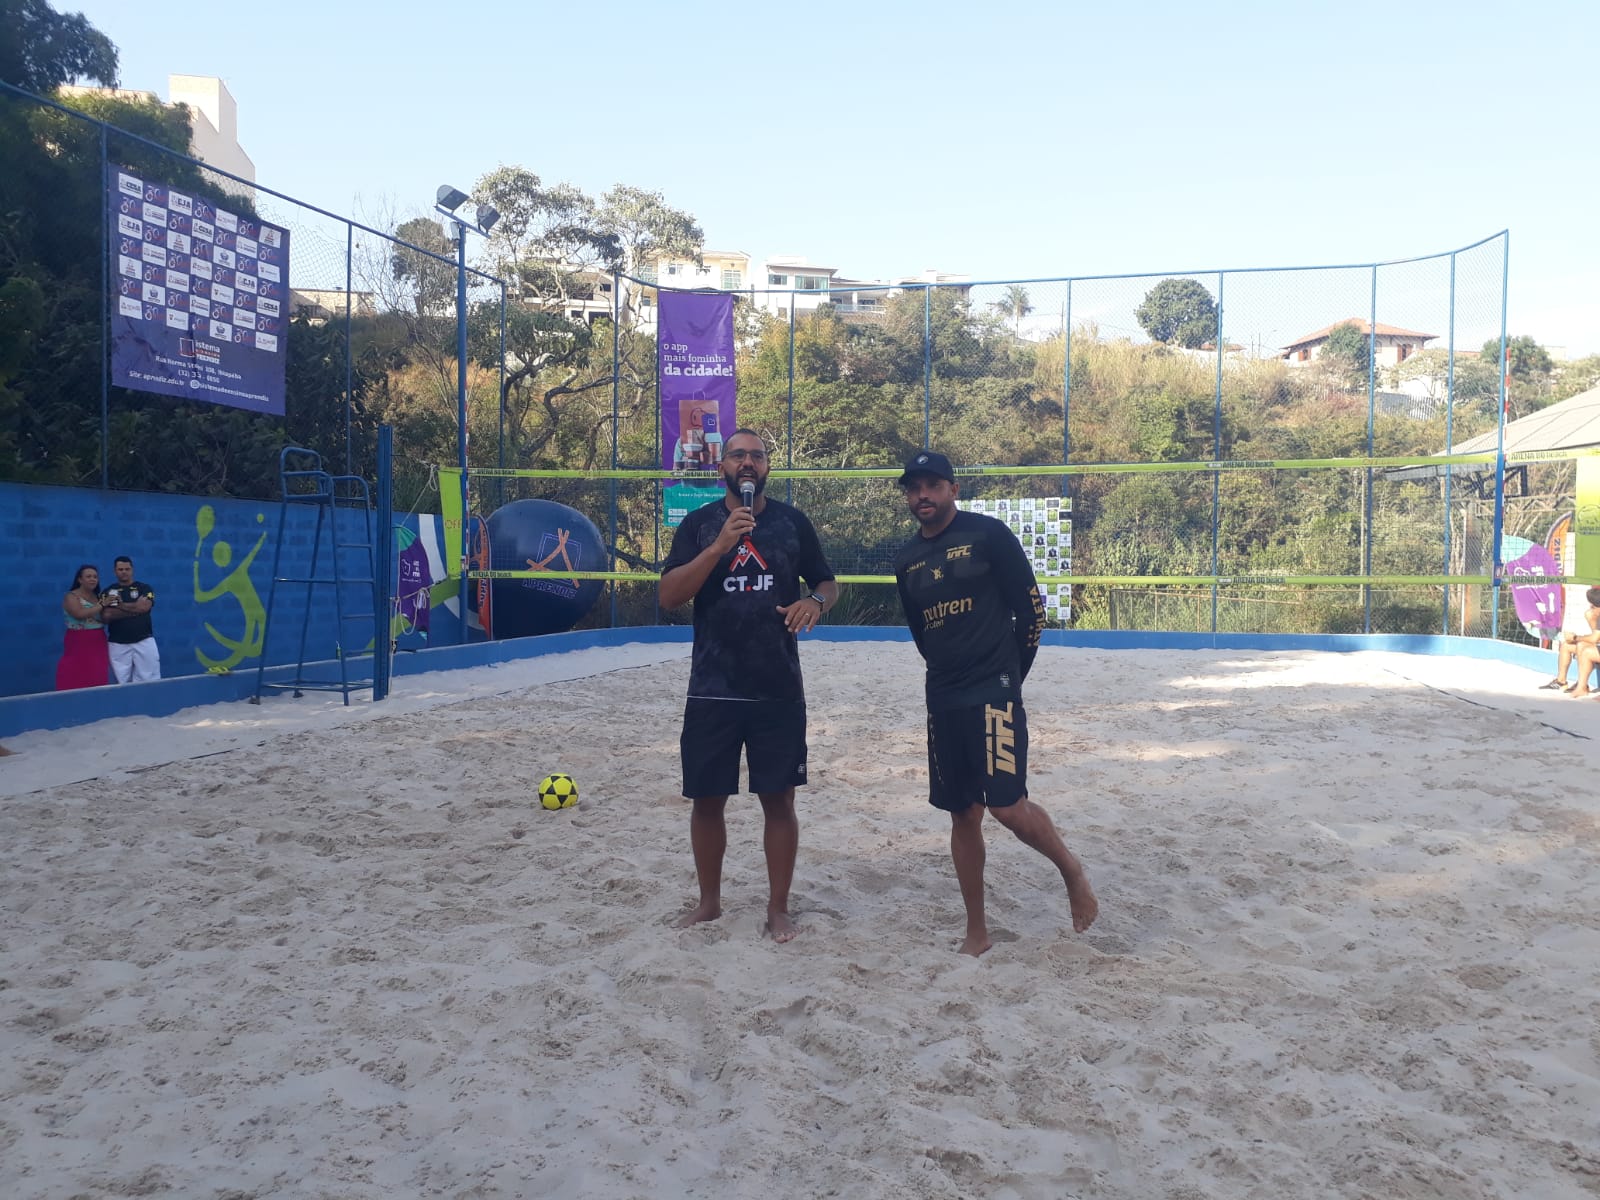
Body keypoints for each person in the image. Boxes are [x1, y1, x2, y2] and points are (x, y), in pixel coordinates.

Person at [893, 450, 1098, 956]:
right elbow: (921, 633)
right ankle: (977, 932)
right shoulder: (907, 559)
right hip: (943, 696)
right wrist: (947, 672)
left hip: (993, 690)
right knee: (963, 814)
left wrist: (1009, 677)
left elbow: (1032, 612)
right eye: (914, 487)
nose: (922, 495)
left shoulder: (988, 535)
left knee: (1006, 806)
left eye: (932, 485)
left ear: (953, 489)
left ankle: (1071, 871)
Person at [659, 428, 838, 942]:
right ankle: (709, 902)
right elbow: (669, 595)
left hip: (777, 686)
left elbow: (826, 582)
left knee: (779, 801)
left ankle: (778, 909)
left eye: (757, 456)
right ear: (722, 466)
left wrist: (815, 602)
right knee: (706, 800)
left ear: (767, 468)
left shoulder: (791, 523)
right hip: (712, 686)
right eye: (738, 455)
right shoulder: (698, 525)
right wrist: (719, 546)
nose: (748, 463)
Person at [100, 555, 161, 682]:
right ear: (115, 571)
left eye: (127, 569)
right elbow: (106, 616)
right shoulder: (108, 591)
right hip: (117, 643)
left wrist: (120, 606)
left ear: (132, 570)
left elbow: (144, 607)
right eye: (120, 569)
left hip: (144, 640)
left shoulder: (144, 588)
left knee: (150, 680)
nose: (124, 572)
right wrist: (135, 609)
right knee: (122, 682)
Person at [55, 564, 110, 690]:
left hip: (98, 640)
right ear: (80, 579)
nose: (92, 579)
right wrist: (102, 605)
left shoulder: (98, 597)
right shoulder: (71, 596)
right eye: (88, 576)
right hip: (78, 641)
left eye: (95, 577)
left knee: (97, 674)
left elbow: (104, 619)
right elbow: (79, 614)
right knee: (75, 673)